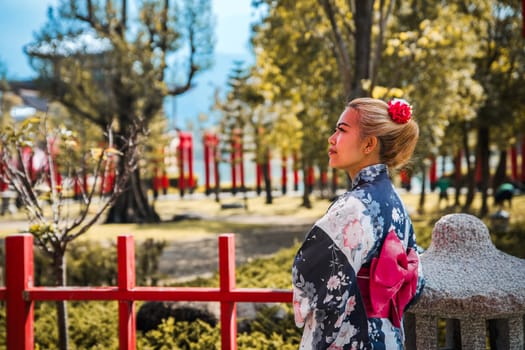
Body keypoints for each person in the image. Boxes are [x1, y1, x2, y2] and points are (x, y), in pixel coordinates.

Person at [292, 97, 425, 349]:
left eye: (341, 130)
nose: (332, 138)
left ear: (369, 144)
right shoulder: (395, 201)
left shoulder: (353, 207)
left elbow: (310, 274)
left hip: (353, 337)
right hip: (388, 335)